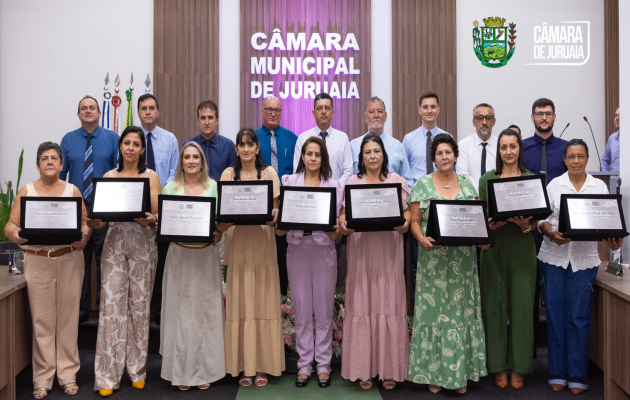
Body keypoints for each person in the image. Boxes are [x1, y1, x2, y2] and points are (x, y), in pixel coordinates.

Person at [5, 142, 91, 399]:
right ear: (38, 164)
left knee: (67, 320)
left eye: (55, 158)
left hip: (69, 260)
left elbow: (85, 225)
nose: (50, 162)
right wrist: (16, 234)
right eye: (45, 158)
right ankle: (42, 378)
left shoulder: (72, 190)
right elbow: (10, 225)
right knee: (42, 322)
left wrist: (84, 237)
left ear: (62, 165)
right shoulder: (27, 191)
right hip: (38, 260)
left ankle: (67, 375)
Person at [537, 139, 623, 395]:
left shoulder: (598, 187)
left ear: (587, 159)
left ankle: (576, 376)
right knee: (554, 317)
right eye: (571, 156)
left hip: (584, 261)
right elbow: (542, 219)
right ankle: (556, 373)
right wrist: (551, 232)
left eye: (580, 156)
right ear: (564, 159)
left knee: (579, 317)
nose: (576, 160)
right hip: (553, 258)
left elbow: (608, 221)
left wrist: (614, 240)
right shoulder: (554, 185)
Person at [407, 133, 487, 394]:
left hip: (463, 263)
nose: (444, 157)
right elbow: (415, 221)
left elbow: (477, 218)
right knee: (434, 317)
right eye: (439, 153)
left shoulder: (466, 183)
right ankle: (434, 373)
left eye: (448, 152)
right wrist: (421, 239)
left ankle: (460, 374)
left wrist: (485, 237)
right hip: (434, 261)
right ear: (434, 158)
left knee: (460, 317)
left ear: (455, 155)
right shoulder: (422, 184)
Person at [89, 126, 161, 397]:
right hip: (115, 243)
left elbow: (156, 213)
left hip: (143, 243)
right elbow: (101, 215)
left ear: (142, 149)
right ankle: (107, 375)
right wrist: (95, 221)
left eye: (136, 144)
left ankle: (137, 371)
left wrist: (151, 219)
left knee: (140, 309)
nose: (131, 147)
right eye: (126, 143)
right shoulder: (108, 176)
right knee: (110, 308)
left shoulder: (151, 176)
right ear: (120, 147)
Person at [339, 134, 410, 390]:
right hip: (362, 254)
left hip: (389, 254)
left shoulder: (397, 182)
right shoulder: (351, 182)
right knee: (363, 307)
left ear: (384, 155)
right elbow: (344, 216)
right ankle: (364, 369)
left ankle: (389, 368)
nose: (372, 156)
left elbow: (408, 212)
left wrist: (406, 223)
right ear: (361, 157)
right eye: (367, 152)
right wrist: (343, 225)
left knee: (388, 305)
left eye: (376, 151)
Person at [219, 128, 284, 387]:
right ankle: (243, 365)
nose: (246, 149)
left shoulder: (269, 174)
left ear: (258, 148)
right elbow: (223, 212)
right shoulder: (227, 175)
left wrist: (275, 214)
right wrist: (221, 222)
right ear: (236, 149)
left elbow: (276, 209)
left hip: (263, 247)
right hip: (237, 247)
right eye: (241, 145)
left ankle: (264, 366)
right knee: (240, 305)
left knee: (262, 304)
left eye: (250, 144)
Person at [159, 142, 226, 391]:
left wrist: (220, 232)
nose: (190, 161)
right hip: (179, 255)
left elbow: (219, 224)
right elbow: (164, 225)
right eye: (186, 157)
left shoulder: (213, 187)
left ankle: (204, 371)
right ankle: (181, 373)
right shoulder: (170, 187)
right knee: (179, 312)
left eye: (195, 157)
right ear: (181, 161)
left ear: (202, 161)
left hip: (205, 256)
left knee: (205, 313)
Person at [277, 137, 343, 389]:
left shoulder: (335, 186)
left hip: (324, 251)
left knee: (324, 311)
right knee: (302, 310)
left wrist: (336, 231)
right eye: (309, 154)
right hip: (297, 250)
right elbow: (280, 226)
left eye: (317, 154)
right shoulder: (289, 182)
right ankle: (305, 365)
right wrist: (279, 224)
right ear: (302, 157)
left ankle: (324, 365)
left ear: (323, 158)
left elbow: (337, 228)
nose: (313, 158)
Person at [478, 129, 538, 390]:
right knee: (494, 308)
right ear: (498, 151)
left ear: (519, 150)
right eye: (503, 147)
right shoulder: (486, 179)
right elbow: (481, 213)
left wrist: (527, 225)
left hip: (522, 247)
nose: (508, 152)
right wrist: (486, 226)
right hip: (493, 248)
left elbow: (537, 220)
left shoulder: (531, 178)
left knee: (523, 308)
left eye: (513, 146)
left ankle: (521, 366)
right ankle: (498, 366)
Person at [60, 95, 119, 323]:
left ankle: (105, 312)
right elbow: (62, 174)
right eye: (83, 108)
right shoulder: (68, 139)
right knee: (78, 262)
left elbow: (116, 173)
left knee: (104, 260)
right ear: (78, 114)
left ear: (98, 112)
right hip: (76, 207)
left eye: (92, 107)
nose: (88, 111)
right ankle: (80, 313)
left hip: (104, 206)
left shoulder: (112, 138)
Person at [522, 97, 567, 357]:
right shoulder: (523, 147)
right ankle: (528, 350)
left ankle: (554, 352)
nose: (544, 118)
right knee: (529, 292)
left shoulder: (565, 148)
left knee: (552, 294)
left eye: (548, 113)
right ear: (532, 117)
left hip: (557, 229)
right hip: (528, 227)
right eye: (539, 113)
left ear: (554, 117)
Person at [402, 91, 450, 301]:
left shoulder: (447, 138)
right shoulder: (409, 139)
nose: (429, 110)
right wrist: (419, 196)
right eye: (425, 107)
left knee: (443, 259)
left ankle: (443, 303)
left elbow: (450, 172)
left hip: (442, 207)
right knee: (417, 261)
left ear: (438, 110)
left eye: (433, 107)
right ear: (419, 110)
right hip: (419, 208)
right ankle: (419, 307)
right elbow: (406, 174)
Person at [136, 93, 179, 324]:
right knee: (140, 262)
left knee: (161, 263)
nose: (148, 112)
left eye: (152, 108)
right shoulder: (132, 139)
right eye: (144, 108)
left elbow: (173, 173)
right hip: (135, 210)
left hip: (163, 208)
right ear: (138, 112)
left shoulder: (170, 139)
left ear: (158, 112)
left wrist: (160, 202)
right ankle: (142, 313)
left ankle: (160, 313)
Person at [256, 96, 297, 295]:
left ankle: (283, 302)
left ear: (281, 112)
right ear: (262, 111)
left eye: (277, 110)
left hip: (287, 205)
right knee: (262, 254)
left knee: (284, 255)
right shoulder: (252, 139)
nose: (273, 113)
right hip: (260, 207)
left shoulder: (292, 138)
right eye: (269, 109)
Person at [350, 96, 413, 191]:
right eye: (371, 112)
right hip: (362, 201)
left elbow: (408, 181)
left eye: (379, 111)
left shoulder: (397, 146)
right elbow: (350, 179)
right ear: (366, 117)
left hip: (392, 202)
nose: (376, 115)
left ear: (385, 116)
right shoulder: (353, 146)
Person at [293, 92, 353, 185]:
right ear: (314, 113)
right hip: (309, 194)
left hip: (337, 195)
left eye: (327, 108)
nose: (323, 112)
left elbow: (348, 171)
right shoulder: (303, 138)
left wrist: (335, 189)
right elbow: (298, 170)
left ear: (332, 113)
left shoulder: (343, 138)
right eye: (319, 108)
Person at [183, 100, 237, 181]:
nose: (206, 122)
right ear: (198, 121)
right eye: (203, 118)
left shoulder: (229, 146)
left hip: (220, 192)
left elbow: (233, 178)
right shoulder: (188, 145)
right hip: (194, 192)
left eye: (210, 118)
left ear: (217, 120)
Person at [456, 103, 498, 192]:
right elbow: (463, 176)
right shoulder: (463, 145)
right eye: (479, 118)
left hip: (496, 197)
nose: (484, 122)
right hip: (472, 198)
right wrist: (479, 195)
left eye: (488, 118)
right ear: (473, 122)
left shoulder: (501, 145)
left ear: (493, 122)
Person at [601, 107, 620, 172]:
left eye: (620, 115)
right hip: (615, 181)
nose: (617, 118)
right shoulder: (612, 138)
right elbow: (605, 160)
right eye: (615, 115)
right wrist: (605, 176)